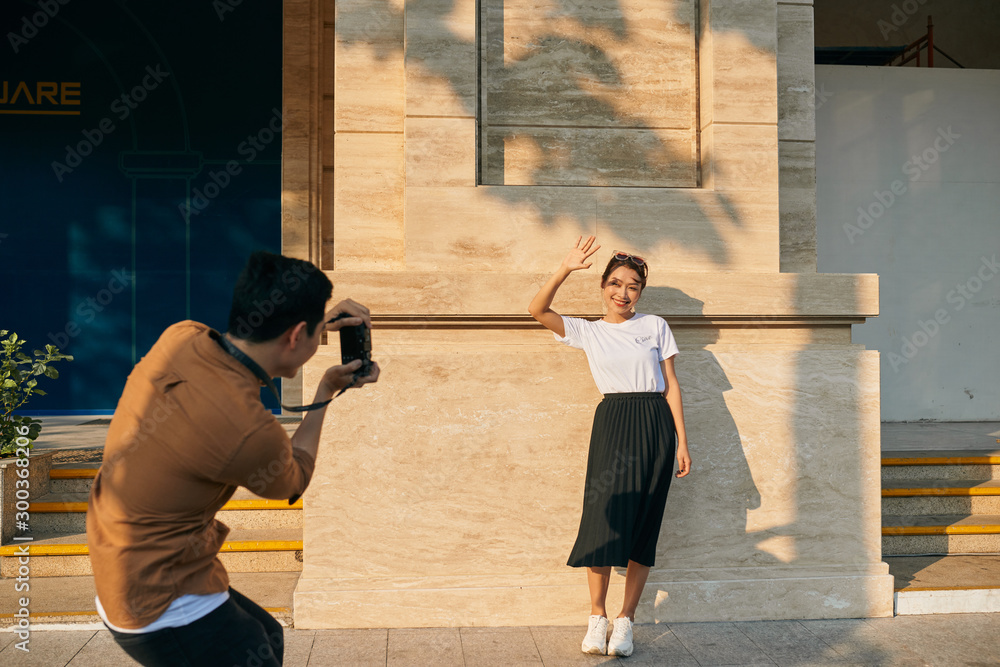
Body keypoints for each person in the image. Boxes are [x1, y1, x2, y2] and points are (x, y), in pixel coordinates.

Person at [86, 251, 379, 666]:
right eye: (313, 334)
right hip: (159, 602)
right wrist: (326, 390)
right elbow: (295, 479)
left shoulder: (181, 337)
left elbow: (235, 365)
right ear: (296, 336)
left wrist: (313, 319)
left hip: (117, 560)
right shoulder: (250, 432)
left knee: (268, 635)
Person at [528, 235, 691, 657]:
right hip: (613, 423)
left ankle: (626, 622)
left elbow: (671, 386)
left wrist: (682, 444)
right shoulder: (588, 331)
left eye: (633, 285)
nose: (623, 293)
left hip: (655, 423)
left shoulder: (655, 326)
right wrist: (565, 267)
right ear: (603, 287)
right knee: (601, 519)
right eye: (616, 283)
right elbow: (537, 310)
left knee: (643, 523)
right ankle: (597, 617)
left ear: (641, 291)